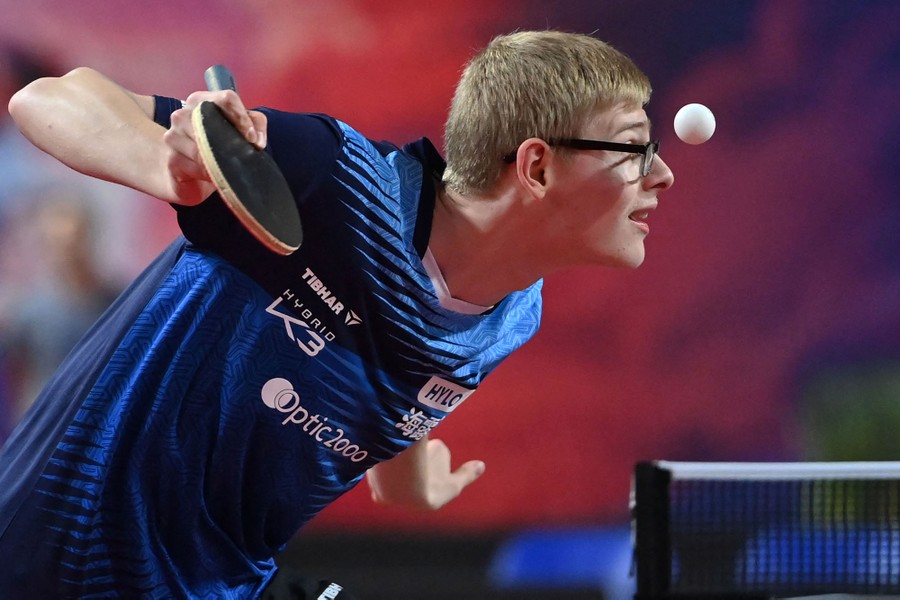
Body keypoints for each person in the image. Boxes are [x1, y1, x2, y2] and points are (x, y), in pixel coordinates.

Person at [0, 30, 674, 598]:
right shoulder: (337, 181)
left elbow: (406, 361)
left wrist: (412, 479)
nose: (662, 174)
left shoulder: (511, 317)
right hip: (63, 556)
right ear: (537, 166)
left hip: (226, 581)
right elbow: (49, 97)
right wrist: (165, 168)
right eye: (634, 147)